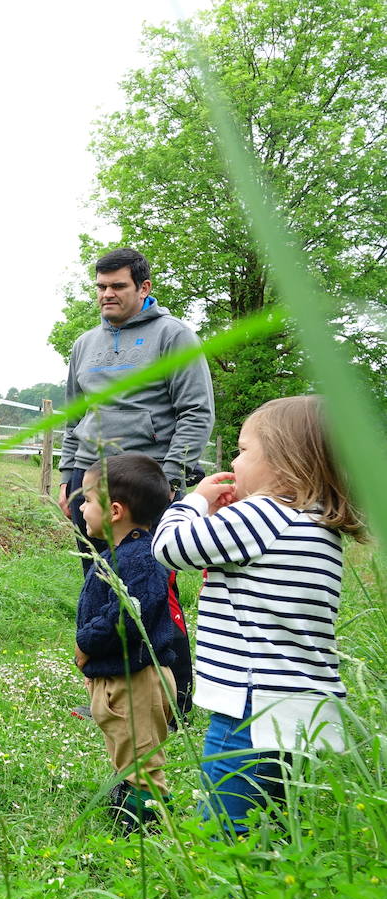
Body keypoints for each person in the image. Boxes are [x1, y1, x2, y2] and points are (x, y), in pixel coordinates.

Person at [152, 396, 366, 834]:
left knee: (228, 834)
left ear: (286, 462)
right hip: (298, 705)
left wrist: (193, 503)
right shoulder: (317, 525)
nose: (233, 459)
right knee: (270, 820)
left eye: (245, 449)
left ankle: (231, 896)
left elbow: (169, 548)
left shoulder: (265, 513)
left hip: (250, 706)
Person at [58, 247, 213, 722]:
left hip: (147, 484)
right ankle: (107, 691)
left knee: (151, 589)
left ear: (143, 288)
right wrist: (69, 473)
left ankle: (175, 694)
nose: (107, 294)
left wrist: (169, 481)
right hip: (92, 480)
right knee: (98, 587)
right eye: (101, 287)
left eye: (118, 286)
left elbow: (195, 413)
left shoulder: (174, 337)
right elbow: (73, 414)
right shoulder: (85, 344)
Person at [73, 453, 182, 830]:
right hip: (120, 679)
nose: (82, 508)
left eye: (86, 500)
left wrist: (86, 644)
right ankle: (129, 800)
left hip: (138, 681)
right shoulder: (119, 555)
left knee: (142, 760)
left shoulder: (142, 560)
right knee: (125, 749)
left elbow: (126, 618)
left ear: (115, 510)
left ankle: (144, 826)